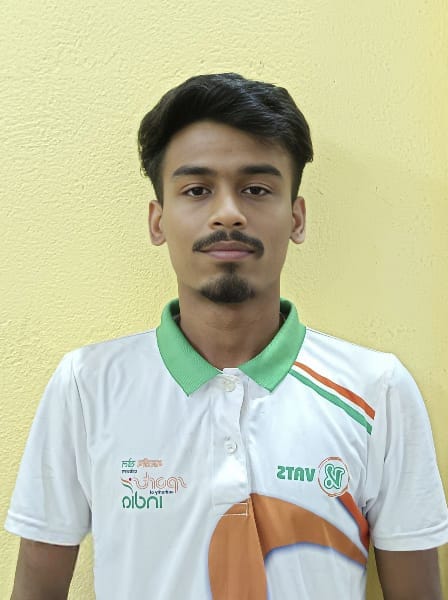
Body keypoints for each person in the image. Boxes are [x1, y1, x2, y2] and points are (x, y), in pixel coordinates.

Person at [5, 73, 448, 600]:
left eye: (256, 189)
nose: (229, 213)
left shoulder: (377, 389)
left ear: (297, 218)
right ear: (158, 221)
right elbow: (37, 586)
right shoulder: (88, 385)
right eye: (197, 190)